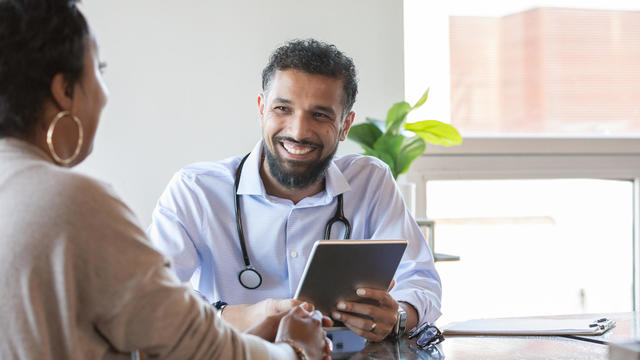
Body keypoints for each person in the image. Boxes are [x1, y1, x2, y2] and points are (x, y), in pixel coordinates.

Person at [0, 1, 332, 359]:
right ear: (64, 89)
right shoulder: (73, 202)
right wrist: (295, 349)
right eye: (99, 69)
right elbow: (196, 348)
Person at [148, 39, 442, 342]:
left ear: (345, 125)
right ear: (262, 109)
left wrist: (399, 315)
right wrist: (242, 316)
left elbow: (421, 280)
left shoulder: (371, 182)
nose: (298, 131)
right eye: (282, 108)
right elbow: (153, 298)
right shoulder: (196, 190)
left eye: (320, 115)